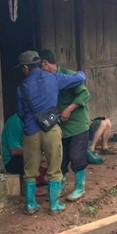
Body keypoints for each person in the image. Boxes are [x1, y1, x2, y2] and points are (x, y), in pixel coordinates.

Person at [17, 51, 86, 215]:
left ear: (25, 68)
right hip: (51, 129)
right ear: (40, 64)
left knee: (30, 171)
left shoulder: (21, 87)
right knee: (55, 168)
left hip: (31, 131)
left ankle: (31, 205)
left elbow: (20, 113)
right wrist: (79, 72)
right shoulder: (54, 78)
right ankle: (54, 206)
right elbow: (80, 78)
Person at [39, 49, 91, 202]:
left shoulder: (69, 76)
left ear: (46, 63)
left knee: (76, 157)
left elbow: (85, 94)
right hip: (60, 126)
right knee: (61, 159)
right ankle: (61, 186)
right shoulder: (47, 80)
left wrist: (69, 109)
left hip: (77, 125)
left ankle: (80, 187)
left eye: (41, 68)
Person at [1, 113, 46, 196]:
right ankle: (31, 186)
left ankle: (38, 179)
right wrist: (37, 153)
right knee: (42, 159)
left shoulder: (34, 119)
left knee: (49, 156)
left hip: (26, 155)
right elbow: (14, 150)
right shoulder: (15, 122)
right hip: (12, 161)